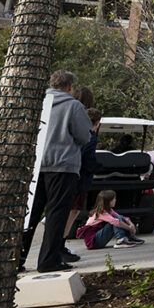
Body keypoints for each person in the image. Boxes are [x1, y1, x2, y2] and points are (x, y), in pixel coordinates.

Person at [19, 70, 93, 273]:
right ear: (70, 87)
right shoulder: (73, 105)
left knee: (31, 214)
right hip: (63, 166)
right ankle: (48, 260)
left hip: (36, 165)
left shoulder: (38, 103)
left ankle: (17, 258)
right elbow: (84, 136)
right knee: (56, 214)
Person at [61, 106, 102, 263]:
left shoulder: (75, 135)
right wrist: (99, 167)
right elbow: (88, 159)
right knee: (73, 212)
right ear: (97, 123)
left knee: (67, 211)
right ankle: (60, 244)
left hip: (69, 176)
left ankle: (59, 244)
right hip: (81, 179)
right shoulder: (90, 137)